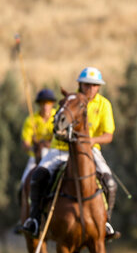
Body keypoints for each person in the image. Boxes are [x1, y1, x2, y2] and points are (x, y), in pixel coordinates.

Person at [23, 67, 120, 240]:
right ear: (80, 85)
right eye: (86, 85)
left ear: (99, 87)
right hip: (61, 149)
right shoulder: (69, 100)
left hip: (90, 150)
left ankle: (105, 222)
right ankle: (34, 219)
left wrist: (90, 141)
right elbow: (56, 125)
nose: (90, 88)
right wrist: (60, 131)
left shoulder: (104, 104)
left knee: (110, 183)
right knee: (38, 175)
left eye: (94, 85)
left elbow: (108, 135)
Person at [20, 88, 57, 186]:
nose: (45, 106)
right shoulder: (31, 120)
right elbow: (25, 143)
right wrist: (34, 149)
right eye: (42, 103)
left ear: (52, 103)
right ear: (39, 104)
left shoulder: (57, 116)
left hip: (53, 154)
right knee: (24, 182)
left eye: (48, 103)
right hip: (35, 157)